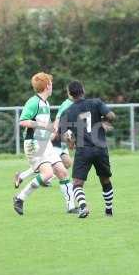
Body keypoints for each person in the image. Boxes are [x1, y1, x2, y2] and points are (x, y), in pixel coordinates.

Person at [13, 72, 76, 215]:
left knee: (62, 171)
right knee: (47, 174)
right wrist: (43, 125)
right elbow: (22, 121)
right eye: (51, 83)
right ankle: (19, 198)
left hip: (45, 143)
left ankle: (71, 206)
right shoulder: (33, 102)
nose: (52, 85)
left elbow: (46, 127)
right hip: (33, 144)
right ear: (47, 85)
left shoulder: (46, 103)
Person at [60, 80, 115, 218]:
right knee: (105, 179)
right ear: (83, 91)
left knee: (77, 184)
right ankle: (109, 211)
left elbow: (63, 134)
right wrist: (104, 122)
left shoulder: (67, 112)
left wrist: (70, 141)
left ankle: (83, 207)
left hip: (83, 150)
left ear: (70, 95)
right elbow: (111, 116)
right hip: (100, 148)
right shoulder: (96, 103)